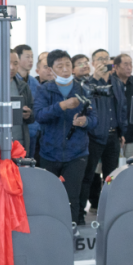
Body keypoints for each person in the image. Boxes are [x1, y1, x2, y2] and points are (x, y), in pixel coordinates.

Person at [33, 49, 98, 227]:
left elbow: (94, 119)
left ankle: (71, 232)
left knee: (72, 197)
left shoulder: (83, 89)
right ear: (51, 69)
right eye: (59, 66)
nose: (65, 69)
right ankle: (51, 232)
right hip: (49, 152)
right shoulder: (44, 89)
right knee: (49, 196)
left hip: (77, 153)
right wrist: (62, 105)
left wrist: (85, 121)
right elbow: (39, 115)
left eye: (68, 65)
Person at [80, 48, 123, 213]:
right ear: (93, 63)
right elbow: (85, 101)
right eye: (99, 59)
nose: (104, 62)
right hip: (94, 136)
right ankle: (81, 210)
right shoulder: (87, 83)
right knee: (88, 175)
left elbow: (122, 107)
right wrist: (96, 78)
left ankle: (109, 209)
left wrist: (122, 131)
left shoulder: (116, 82)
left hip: (114, 135)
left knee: (111, 176)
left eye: (106, 58)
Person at [111, 53, 133, 159]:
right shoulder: (110, 83)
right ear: (116, 67)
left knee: (132, 163)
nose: (129, 67)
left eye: (131, 64)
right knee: (114, 165)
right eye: (125, 64)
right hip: (115, 133)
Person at [29, 51, 54, 160]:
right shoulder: (31, 86)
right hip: (35, 134)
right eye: (46, 67)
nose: (49, 70)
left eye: (51, 67)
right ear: (37, 70)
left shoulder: (62, 88)